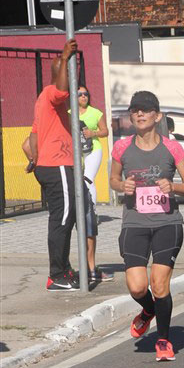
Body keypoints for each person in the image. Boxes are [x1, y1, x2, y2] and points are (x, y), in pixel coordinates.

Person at [110, 91, 184, 361]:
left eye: (145, 109)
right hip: (134, 222)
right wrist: (121, 185)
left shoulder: (172, 148)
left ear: (157, 116)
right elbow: (113, 179)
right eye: (135, 109)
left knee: (159, 284)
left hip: (167, 223)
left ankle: (163, 340)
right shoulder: (122, 148)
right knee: (137, 287)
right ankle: (148, 310)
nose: (139, 114)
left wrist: (173, 187)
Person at [30, 38, 79, 290]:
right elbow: (61, 91)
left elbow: (32, 135)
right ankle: (57, 275)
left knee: (66, 217)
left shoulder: (43, 100)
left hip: (50, 165)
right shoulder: (51, 93)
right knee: (62, 218)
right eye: (69, 73)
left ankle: (64, 269)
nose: (72, 79)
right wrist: (65, 55)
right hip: (56, 165)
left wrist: (33, 158)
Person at [75, 85, 113, 283]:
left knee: (87, 179)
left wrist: (93, 133)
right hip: (76, 150)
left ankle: (91, 207)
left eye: (86, 94)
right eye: (80, 94)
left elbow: (105, 131)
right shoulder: (69, 112)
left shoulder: (95, 112)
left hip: (93, 149)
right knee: (78, 179)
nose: (83, 97)